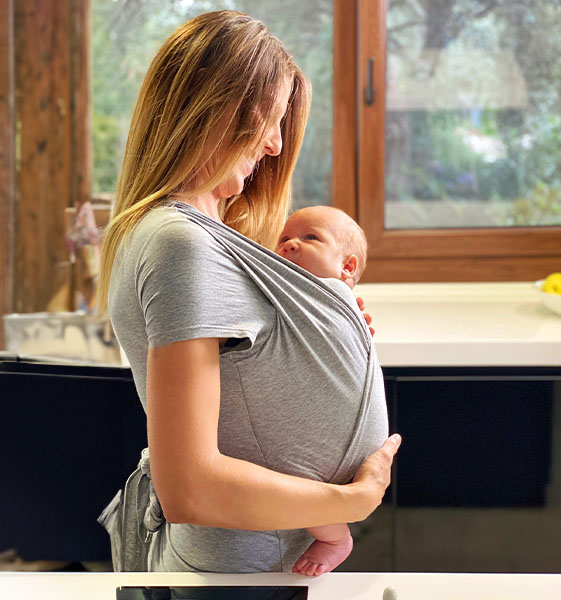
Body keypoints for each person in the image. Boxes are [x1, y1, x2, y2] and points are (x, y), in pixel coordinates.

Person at [97, 10, 401, 574]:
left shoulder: (206, 233)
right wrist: (350, 502)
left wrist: (329, 325)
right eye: (274, 119)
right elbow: (191, 486)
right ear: (223, 109)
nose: (277, 142)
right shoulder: (179, 241)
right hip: (234, 569)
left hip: (262, 558)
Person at [275, 205, 369, 576]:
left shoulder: (320, 292)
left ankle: (336, 539)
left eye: (310, 237)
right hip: (332, 429)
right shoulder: (323, 297)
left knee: (300, 483)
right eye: (283, 239)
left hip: (330, 437)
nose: (291, 244)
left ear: (347, 268)